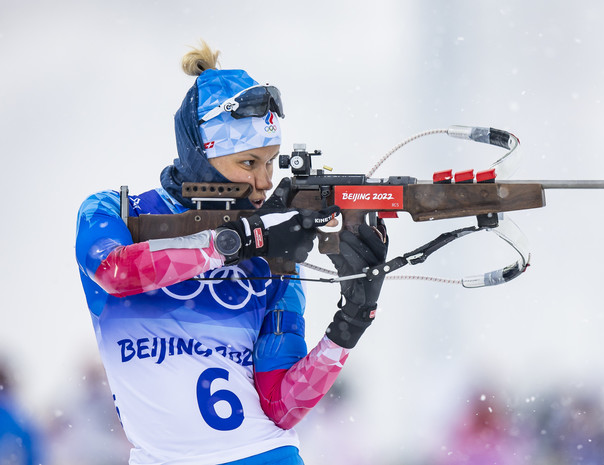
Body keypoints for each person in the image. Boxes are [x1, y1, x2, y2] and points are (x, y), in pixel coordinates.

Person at [75, 41, 388, 465]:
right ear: (202, 157)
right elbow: (115, 272)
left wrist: (350, 323)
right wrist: (235, 244)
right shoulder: (115, 211)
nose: (264, 183)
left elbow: (280, 406)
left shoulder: (276, 255)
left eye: (271, 162)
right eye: (248, 163)